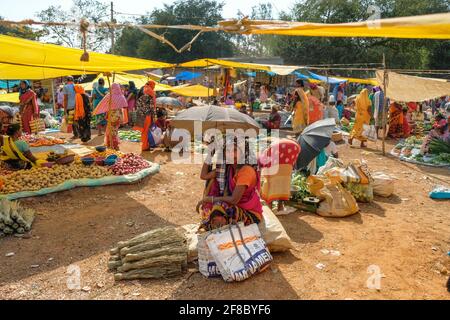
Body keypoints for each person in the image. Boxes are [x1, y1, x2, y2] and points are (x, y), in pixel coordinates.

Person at [197, 136, 263, 231]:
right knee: (213, 184)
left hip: (249, 212)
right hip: (233, 206)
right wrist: (210, 154)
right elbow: (204, 175)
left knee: (218, 208)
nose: (230, 154)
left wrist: (211, 199)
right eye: (227, 151)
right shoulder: (228, 169)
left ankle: (217, 230)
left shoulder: (246, 171)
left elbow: (234, 200)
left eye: (235, 150)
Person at [259, 138, 300, 213]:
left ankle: (269, 207)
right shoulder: (295, 147)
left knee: (271, 186)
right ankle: (280, 207)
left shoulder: (269, 149)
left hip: (275, 168)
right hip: (287, 168)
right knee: (283, 186)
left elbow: (263, 162)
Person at [94, 83, 127, 150]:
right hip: (119, 115)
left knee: (111, 130)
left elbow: (102, 103)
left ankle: (113, 145)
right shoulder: (121, 96)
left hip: (112, 115)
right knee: (115, 130)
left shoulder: (110, 96)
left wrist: (96, 111)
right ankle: (113, 144)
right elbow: (125, 105)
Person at [134, 80, 157, 151]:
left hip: (139, 113)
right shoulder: (150, 91)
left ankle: (145, 144)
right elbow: (152, 105)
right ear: (152, 85)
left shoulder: (141, 89)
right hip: (147, 114)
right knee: (145, 131)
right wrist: (154, 116)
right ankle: (144, 146)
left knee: (143, 130)